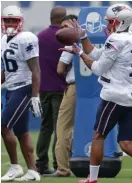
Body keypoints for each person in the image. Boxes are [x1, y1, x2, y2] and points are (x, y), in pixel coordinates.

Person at [60, 4, 132, 183]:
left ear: (121, 22)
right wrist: (84, 37)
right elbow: (95, 53)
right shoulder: (131, 37)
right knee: (126, 143)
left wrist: (79, 53)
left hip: (115, 96)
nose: (108, 25)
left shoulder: (116, 39)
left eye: (111, 22)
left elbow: (97, 68)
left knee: (98, 136)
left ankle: (92, 179)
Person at [1, 5, 41, 181]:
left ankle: (15, 166)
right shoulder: (3, 39)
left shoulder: (26, 38)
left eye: (13, 20)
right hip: (10, 88)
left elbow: (36, 69)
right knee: (22, 132)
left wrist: (34, 95)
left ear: (20, 22)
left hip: (23, 88)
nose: (10, 23)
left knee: (4, 126)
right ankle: (33, 171)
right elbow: (5, 70)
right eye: (7, 20)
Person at [44, 14, 77, 177]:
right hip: (95, 89)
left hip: (74, 87)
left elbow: (60, 69)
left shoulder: (71, 44)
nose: (62, 31)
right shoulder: (89, 42)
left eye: (65, 27)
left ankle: (63, 168)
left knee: (63, 127)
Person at [36, 6, 67, 174]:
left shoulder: (39, 37)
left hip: (43, 88)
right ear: (63, 20)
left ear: (50, 17)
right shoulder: (64, 37)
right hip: (60, 88)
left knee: (45, 127)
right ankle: (58, 164)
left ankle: (40, 164)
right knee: (60, 128)